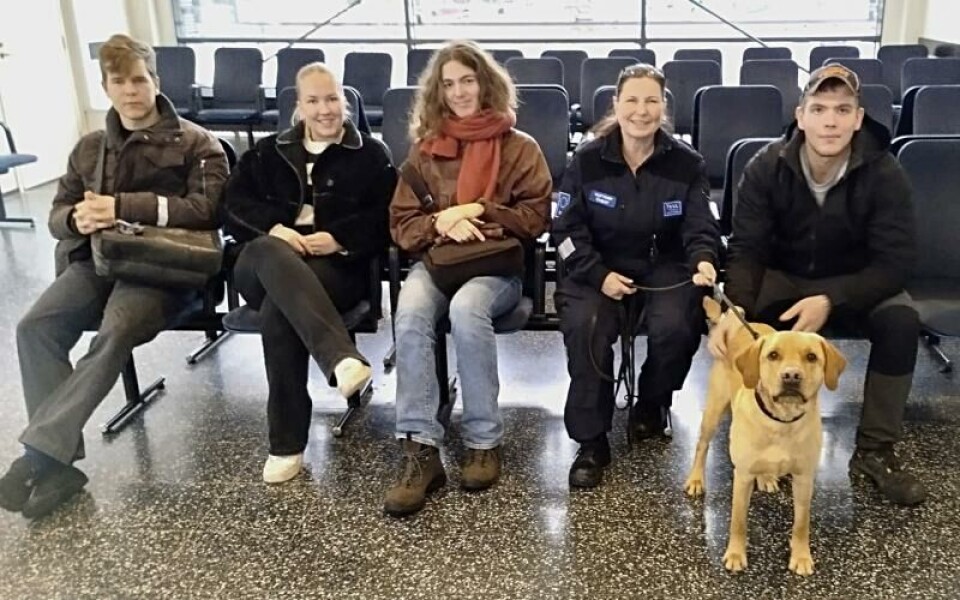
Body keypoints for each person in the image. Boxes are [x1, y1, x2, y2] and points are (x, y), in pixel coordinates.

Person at [0, 34, 228, 518]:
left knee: (116, 329)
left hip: (163, 271)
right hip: (97, 263)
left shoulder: (196, 143)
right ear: (106, 88)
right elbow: (58, 210)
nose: (131, 91)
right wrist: (74, 220)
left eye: (139, 80)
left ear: (156, 82)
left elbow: (208, 210)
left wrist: (123, 207)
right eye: (119, 82)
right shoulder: (89, 149)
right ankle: (58, 465)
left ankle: (40, 455)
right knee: (34, 327)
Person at [711, 64, 927, 506]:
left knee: (902, 322)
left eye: (842, 109)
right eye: (820, 108)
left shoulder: (885, 173)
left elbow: (896, 262)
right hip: (784, 276)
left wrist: (832, 299)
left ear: (859, 117)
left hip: (857, 282)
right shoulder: (766, 166)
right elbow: (747, 249)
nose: (831, 120)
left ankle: (874, 450)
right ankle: (760, 431)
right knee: (748, 323)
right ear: (801, 115)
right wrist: (733, 312)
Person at [385, 40, 552, 516]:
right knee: (412, 310)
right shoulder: (425, 151)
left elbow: (536, 218)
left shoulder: (520, 148)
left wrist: (477, 211)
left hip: (496, 268)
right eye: (449, 83)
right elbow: (401, 224)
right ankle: (420, 450)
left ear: (486, 83)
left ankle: (483, 440)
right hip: (438, 260)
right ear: (438, 91)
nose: (459, 91)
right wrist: (440, 221)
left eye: (468, 80)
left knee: (466, 309)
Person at [223, 62, 396, 484]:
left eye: (332, 98)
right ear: (299, 107)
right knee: (269, 250)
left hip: (332, 266)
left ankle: (286, 447)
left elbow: (387, 218)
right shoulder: (266, 152)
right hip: (260, 265)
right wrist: (277, 227)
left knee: (280, 314)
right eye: (314, 101)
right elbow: (230, 205)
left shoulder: (371, 156)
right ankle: (340, 357)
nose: (325, 110)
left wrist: (338, 238)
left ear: (346, 102)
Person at [551, 64, 720, 488]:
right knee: (589, 327)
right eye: (632, 100)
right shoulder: (587, 160)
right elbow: (565, 232)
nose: (641, 111)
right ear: (616, 105)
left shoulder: (686, 163)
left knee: (678, 326)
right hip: (596, 267)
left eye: (651, 100)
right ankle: (591, 440)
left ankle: (652, 403)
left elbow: (701, 225)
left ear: (663, 106)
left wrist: (703, 258)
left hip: (665, 266)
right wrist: (597, 273)